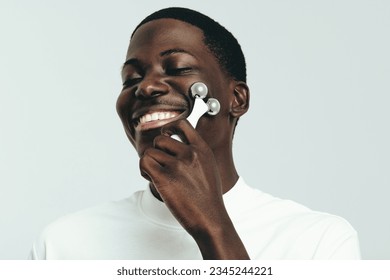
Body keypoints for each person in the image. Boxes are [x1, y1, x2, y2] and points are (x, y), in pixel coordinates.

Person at [29, 7, 360, 260]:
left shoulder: (318, 241)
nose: (146, 87)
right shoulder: (62, 243)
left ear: (236, 99)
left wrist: (212, 227)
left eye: (178, 68)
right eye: (131, 79)